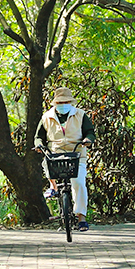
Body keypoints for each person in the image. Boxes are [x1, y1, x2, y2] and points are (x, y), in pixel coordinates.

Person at [34, 87, 95, 231]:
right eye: (60, 102)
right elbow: (38, 137)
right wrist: (39, 145)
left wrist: (87, 139)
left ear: (71, 102)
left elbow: (90, 132)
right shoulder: (46, 117)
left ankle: (81, 218)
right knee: (47, 165)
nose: (63, 104)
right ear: (55, 103)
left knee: (79, 183)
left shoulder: (80, 115)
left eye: (66, 101)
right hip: (55, 154)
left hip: (76, 154)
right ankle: (53, 187)